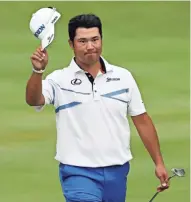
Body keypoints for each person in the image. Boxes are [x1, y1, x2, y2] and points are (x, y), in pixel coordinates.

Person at [26, 13, 169, 202]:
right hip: (77, 172)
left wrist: (159, 163)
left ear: (101, 39)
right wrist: (38, 71)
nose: (90, 46)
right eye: (83, 41)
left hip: (117, 172)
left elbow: (142, 121)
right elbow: (34, 100)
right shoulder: (59, 79)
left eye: (95, 39)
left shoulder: (123, 77)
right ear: (71, 44)